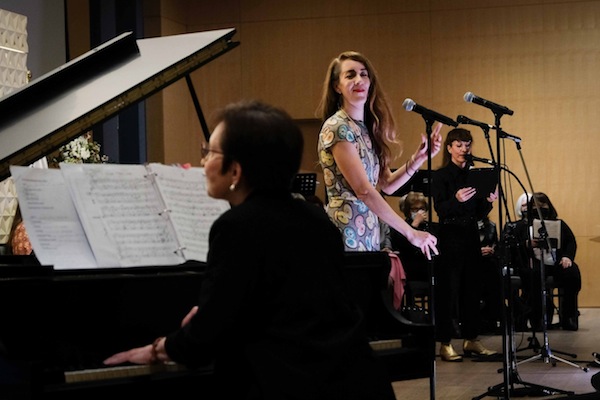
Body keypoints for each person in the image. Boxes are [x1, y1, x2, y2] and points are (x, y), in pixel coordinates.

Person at [103, 100, 397, 400]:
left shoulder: (237, 227)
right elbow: (282, 312)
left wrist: (161, 348)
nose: (204, 162)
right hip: (355, 381)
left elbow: (208, 336)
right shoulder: (318, 223)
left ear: (236, 170)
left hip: (287, 386)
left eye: (210, 152)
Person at [316, 50, 442, 259]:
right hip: (345, 231)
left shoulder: (365, 129)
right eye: (350, 75)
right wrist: (410, 232)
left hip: (368, 230)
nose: (359, 79)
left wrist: (419, 158)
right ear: (337, 86)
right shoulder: (338, 127)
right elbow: (364, 191)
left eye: (364, 74)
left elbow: (387, 184)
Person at [431, 127, 499, 362]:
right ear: (449, 148)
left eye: (467, 144)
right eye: (459, 145)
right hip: (449, 235)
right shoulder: (440, 176)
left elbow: (479, 212)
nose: (464, 149)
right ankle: (445, 342)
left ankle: (471, 340)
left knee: (472, 289)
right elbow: (440, 209)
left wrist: (489, 202)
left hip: (470, 235)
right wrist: (456, 199)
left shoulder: (474, 174)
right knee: (448, 291)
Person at [511, 192, 581, 331]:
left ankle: (568, 316)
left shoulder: (559, 223)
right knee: (534, 275)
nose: (540, 209)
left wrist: (567, 257)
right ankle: (537, 318)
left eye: (543, 205)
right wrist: (526, 244)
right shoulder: (520, 226)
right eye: (536, 206)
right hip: (533, 262)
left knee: (572, 273)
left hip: (555, 262)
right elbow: (513, 248)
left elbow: (570, 242)